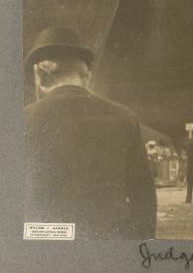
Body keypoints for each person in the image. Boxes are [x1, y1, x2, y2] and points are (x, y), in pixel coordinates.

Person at [24, 26, 157, 239]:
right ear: (87, 76)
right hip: (109, 245)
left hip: (45, 248)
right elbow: (143, 196)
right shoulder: (124, 118)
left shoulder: (21, 121)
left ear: (41, 75)